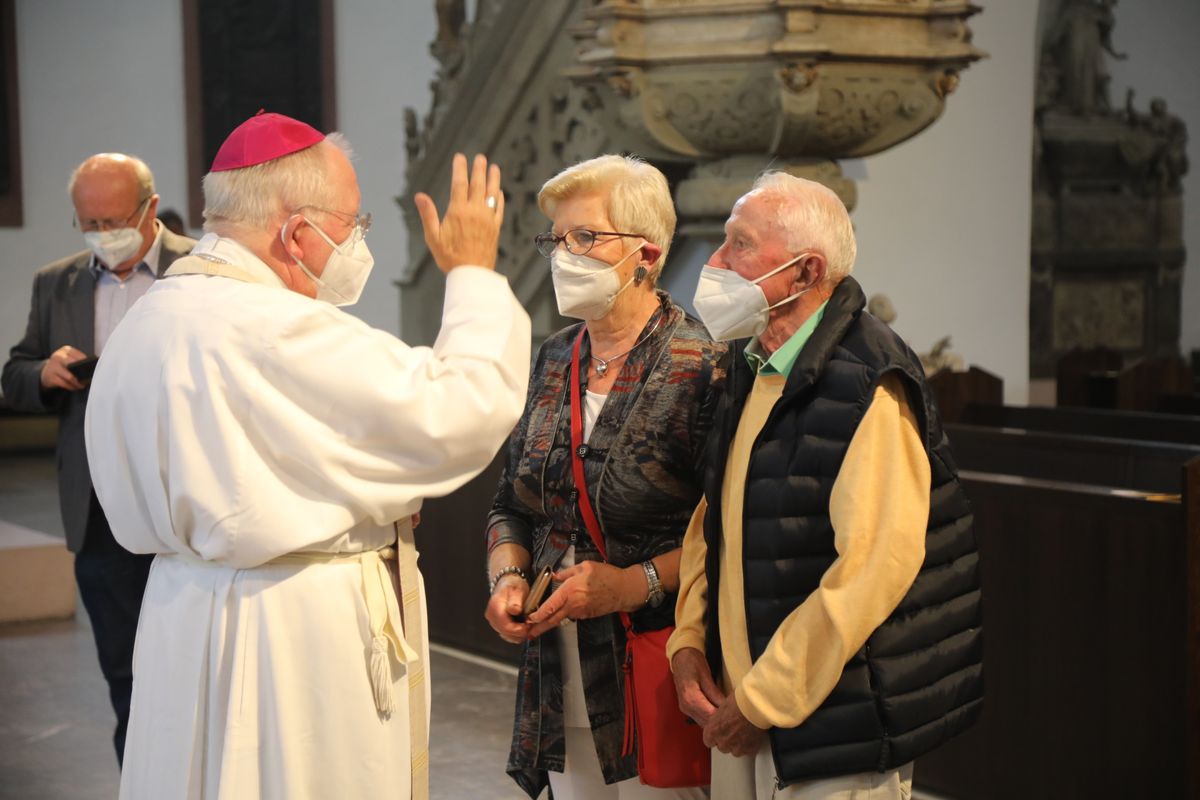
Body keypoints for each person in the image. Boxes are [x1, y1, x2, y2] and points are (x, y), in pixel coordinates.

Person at [82, 111, 531, 800]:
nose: (356, 243)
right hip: (289, 634)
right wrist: (472, 274)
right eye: (352, 224)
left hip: (180, 609)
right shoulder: (277, 328)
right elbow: (459, 410)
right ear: (296, 231)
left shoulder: (148, 318)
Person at [668, 172, 982, 799]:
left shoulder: (868, 378)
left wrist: (763, 698)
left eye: (740, 245)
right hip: (742, 703)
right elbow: (717, 522)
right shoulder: (749, 361)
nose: (716, 262)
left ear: (806, 272)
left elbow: (873, 568)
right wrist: (689, 642)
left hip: (835, 723)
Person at [484, 154, 726, 799]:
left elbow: (728, 534)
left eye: (586, 238)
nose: (565, 255)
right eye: (556, 240)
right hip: (558, 660)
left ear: (647, 253)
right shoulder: (556, 354)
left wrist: (632, 582)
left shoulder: (700, 365)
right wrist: (507, 578)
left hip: (654, 659)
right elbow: (512, 500)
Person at [1, 153, 195, 764]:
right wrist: (46, 373)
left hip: (184, 502)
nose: (101, 234)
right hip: (99, 507)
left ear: (150, 208)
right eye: (88, 223)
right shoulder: (56, 281)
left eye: (112, 219)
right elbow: (14, 375)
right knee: (124, 670)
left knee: (195, 667)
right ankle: (140, 778)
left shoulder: (203, 269)